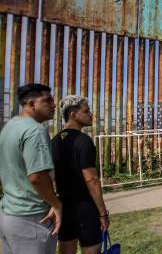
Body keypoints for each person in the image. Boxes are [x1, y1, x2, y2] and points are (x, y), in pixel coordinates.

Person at [0, 84, 62, 254]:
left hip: (9, 214)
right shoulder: (35, 131)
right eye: (47, 100)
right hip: (32, 219)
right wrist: (56, 204)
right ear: (31, 104)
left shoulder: (10, 126)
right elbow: (37, 177)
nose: (53, 104)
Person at [51, 95, 109, 254]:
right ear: (73, 114)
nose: (91, 114)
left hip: (64, 206)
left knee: (66, 249)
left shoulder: (55, 141)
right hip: (84, 207)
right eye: (87, 111)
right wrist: (103, 213)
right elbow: (91, 179)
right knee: (91, 249)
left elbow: (52, 176)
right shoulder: (83, 141)